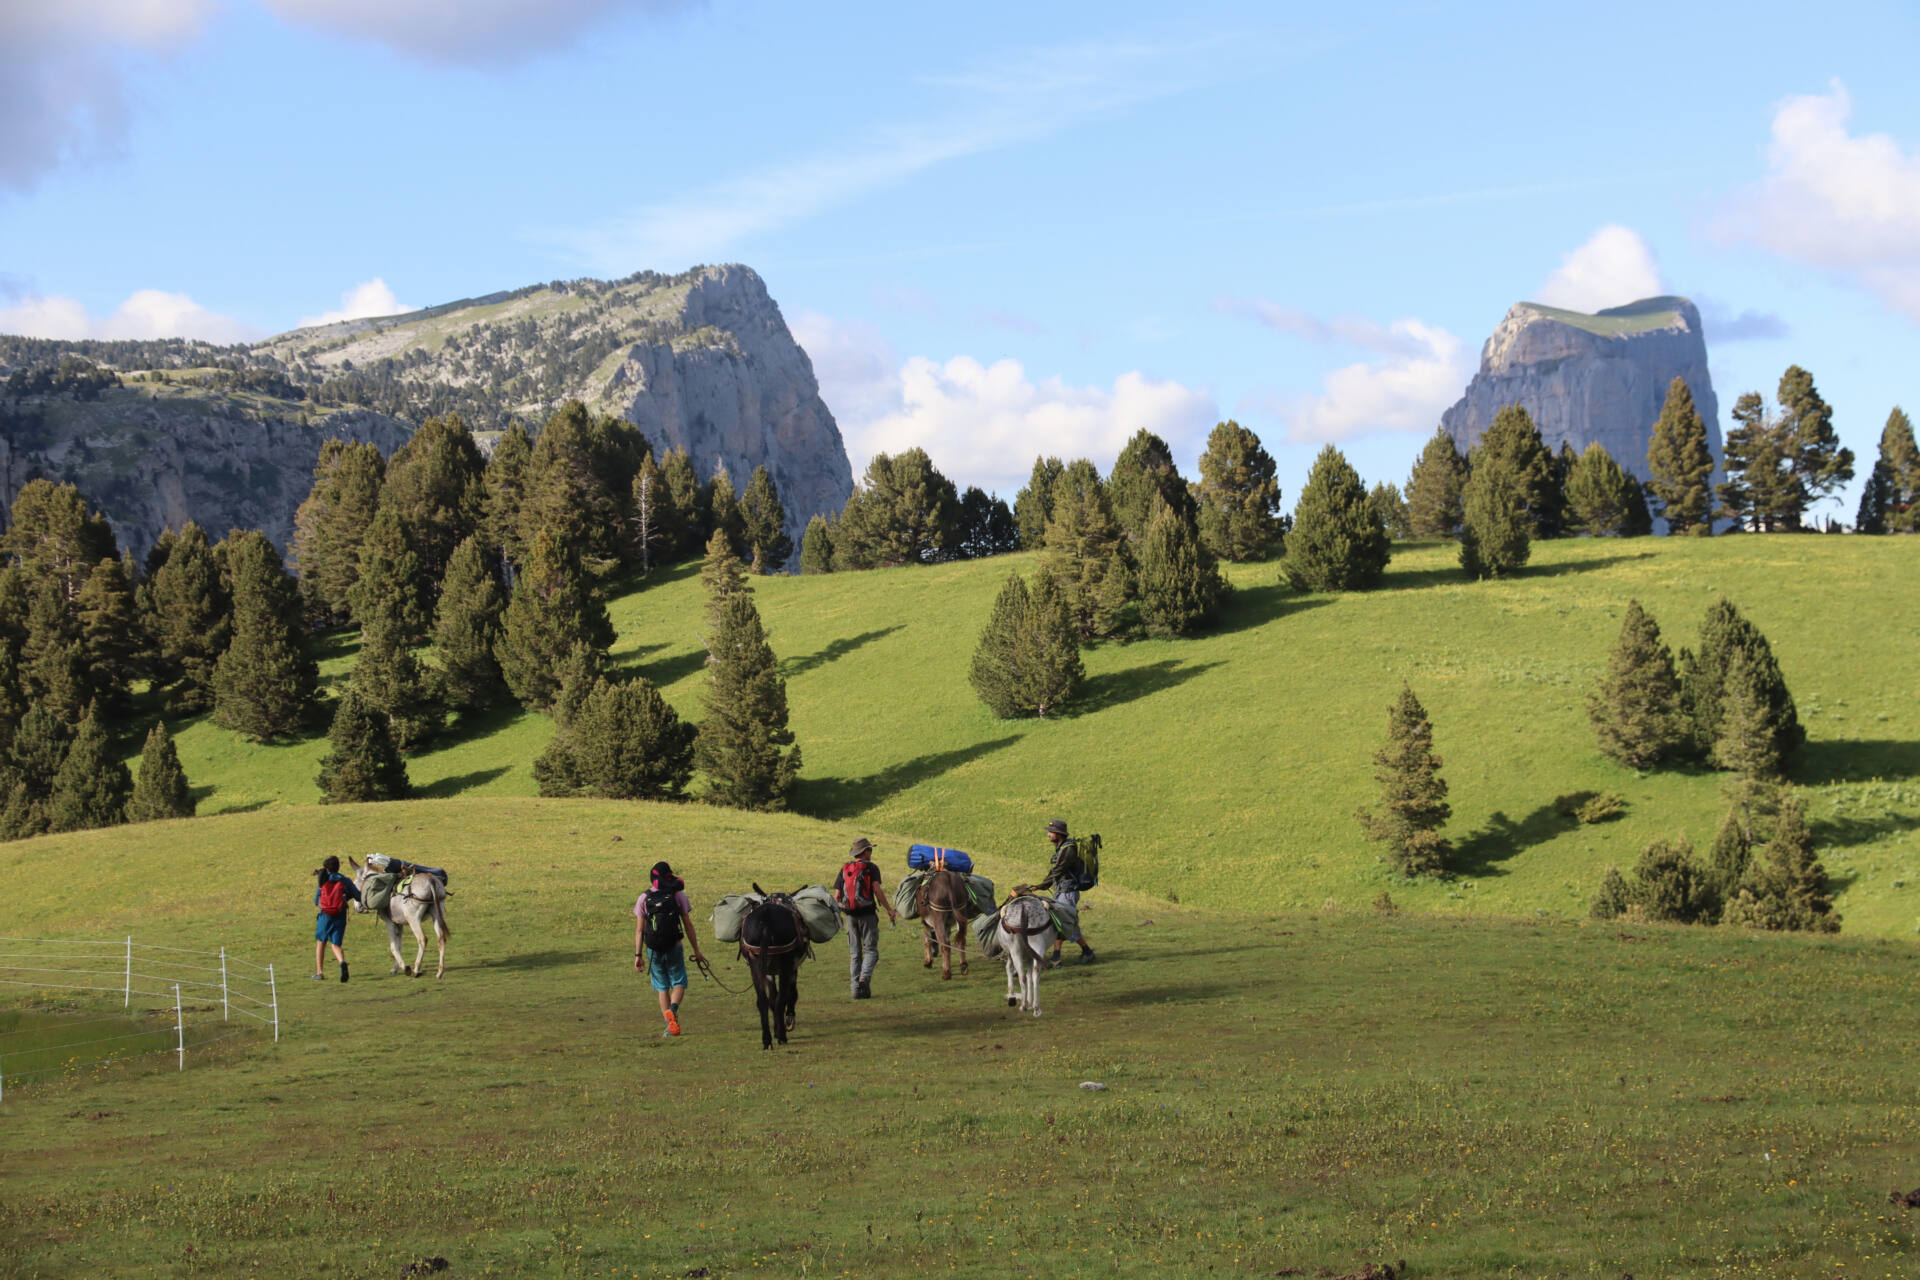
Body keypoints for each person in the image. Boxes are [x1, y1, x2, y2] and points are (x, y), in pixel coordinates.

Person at [635, 860, 707, 1037]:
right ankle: (673, 1010)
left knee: (662, 986)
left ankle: (669, 1028)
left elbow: (639, 930)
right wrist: (696, 950)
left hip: (653, 949)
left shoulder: (644, 898)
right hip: (674, 945)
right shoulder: (678, 895)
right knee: (679, 982)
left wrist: (638, 955)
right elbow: (688, 925)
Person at [834, 837, 897, 999]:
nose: (871, 852)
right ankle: (863, 978)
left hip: (849, 916)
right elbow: (877, 889)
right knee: (871, 951)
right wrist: (889, 909)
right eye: (870, 849)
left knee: (855, 954)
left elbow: (837, 896)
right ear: (865, 852)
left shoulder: (845, 868)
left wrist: (838, 915)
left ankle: (856, 991)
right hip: (867, 914)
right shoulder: (871, 868)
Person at [1037, 818, 1096, 965]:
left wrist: (1041, 886)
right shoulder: (1062, 847)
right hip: (1062, 890)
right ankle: (1079, 953)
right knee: (1062, 922)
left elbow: (1058, 870)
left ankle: (1063, 957)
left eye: (1051, 832)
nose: (1049, 835)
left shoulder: (1068, 849)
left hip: (1068, 892)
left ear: (1059, 834)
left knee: (1065, 922)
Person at [312, 855, 362, 983]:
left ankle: (319, 972)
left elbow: (316, 901)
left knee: (321, 942)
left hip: (325, 915)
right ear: (338, 867)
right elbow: (358, 896)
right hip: (340, 915)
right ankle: (341, 962)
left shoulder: (323, 880)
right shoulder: (345, 880)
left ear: (327, 868)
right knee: (336, 944)